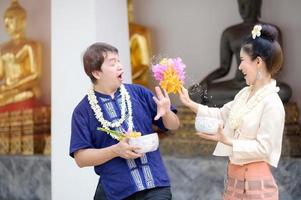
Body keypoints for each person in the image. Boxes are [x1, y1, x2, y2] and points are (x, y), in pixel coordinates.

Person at [179, 24, 285, 199]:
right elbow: (222, 114)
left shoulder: (272, 102)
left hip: (255, 185)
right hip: (233, 179)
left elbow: (265, 148)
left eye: (243, 60)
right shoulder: (244, 93)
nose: (240, 67)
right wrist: (189, 103)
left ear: (258, 62)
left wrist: (228, 140)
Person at [69, 42, 180, 200]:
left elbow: (174, 125)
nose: (120, 66)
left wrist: (167, 112)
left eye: (119, 61)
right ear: (97, 73)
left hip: (155, 185)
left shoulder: (139, 93)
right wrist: (115, 150)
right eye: (113, 63)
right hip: (117, 192)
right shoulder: (83, 111)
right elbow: (81, 158)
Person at [189, 0, 291, 107]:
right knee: (196, 93)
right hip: (236, 84)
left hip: (261, 85)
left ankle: (240, 100)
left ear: (257, 5)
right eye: (240, 4)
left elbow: (277, 65)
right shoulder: (229, 33)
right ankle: (246, 100)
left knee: (285, 91)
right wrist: (205, 81)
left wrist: (259, 81)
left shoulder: (270, 31)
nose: (243, 8)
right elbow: (224, 67)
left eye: (247, 4)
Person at [0, 0, 42, 107]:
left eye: (11, 18)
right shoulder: (2, 48)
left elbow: (36, 74)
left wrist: (13, 85)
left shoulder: (30, 45)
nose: (7, 23)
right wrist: (7, 86)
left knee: (30, 93)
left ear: (22, 21)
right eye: (6, 20)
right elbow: (1, 74)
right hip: (7, 90)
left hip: (23, 88)